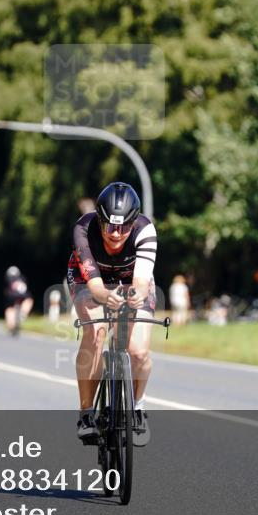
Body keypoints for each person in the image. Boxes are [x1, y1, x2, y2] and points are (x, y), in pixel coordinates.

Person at [66, 182, 157, 446]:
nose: (116, 234)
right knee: (96, 331)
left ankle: (137, 407)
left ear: (134, 221)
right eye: (109, 225)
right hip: (90, 279)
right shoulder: (84, 228)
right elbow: (94, 286)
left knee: (138, 351)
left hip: (131, 278)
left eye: (124, 227)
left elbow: (141, 281)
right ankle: (86, 414)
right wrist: (106, 296)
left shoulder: (145, 229)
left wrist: (137, 295)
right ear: (99, 218)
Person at [3, 266, 33, 335]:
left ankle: (11, 324)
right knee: (29, 300)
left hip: (11, 297)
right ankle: (23, 313)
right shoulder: (22, 278)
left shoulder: (8, 278)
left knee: (10, 309)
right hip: (23, 296)